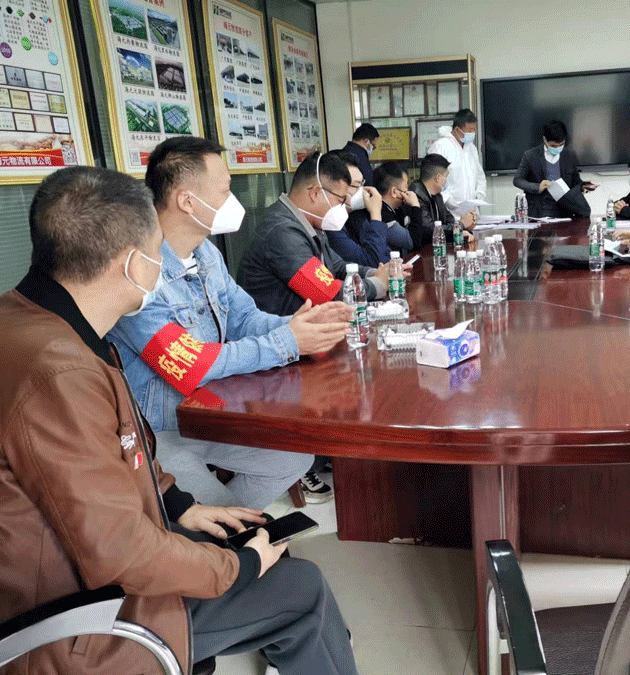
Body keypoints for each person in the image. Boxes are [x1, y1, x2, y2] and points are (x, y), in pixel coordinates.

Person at [0, 165, 358, 675]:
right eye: (156, 253)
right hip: (83, 617)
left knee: (240, 535)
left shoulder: (34, 322)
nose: (162, 266)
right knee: (301, 588)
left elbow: (120, 450)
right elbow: (119, 552)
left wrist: (178, 504)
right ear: (132, 264)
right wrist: (238, 567)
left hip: (73, 557)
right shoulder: (62, 371)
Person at [108, 137, 350, 507]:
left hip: (212, 413)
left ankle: (227, 529)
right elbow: (190, 366)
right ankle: (221, 531)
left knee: (293, 458)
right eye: (224, 191)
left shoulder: (205, 253)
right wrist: (287, 341)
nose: (232, 201)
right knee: (215, 514)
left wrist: (296, 325)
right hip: (161, 431)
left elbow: (243, 317)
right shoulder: (138, 272)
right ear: (187, 201)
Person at [239, 150, 394, 316]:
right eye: (340, 200)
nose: (343, 207)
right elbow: (326, 294)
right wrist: (378, 284)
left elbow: (337, 266)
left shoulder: (309, 223)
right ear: (315, 193)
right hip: (281, 329)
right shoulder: (281, 232)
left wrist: (374, 273)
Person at [513, 120, 596, 218]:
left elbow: (575, 181)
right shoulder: (530, 155)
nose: (557, 148)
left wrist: (584, 186)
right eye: (553, 146)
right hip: (540, 210)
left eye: (561, 145)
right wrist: (538, 187)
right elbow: (517, 180)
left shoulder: (569, 155)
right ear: (545, 140)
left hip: (565, 209)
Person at [326, 151, 392, 267]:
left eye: (362, 184)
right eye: (356, 185)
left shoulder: (357, 214)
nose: (362, 191)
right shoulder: (329, 223)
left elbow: (385, 254)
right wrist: (376, 214)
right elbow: (371, 261)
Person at [427, 108, 487, 219]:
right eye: (469, 130)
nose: (472, 133)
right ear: (457, 129)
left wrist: (479, 194)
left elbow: (480, 176)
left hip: (471, 213)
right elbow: (434, 178)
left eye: (474, 130)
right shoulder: (441, 146)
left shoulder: (471, 148)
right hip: (449, 213)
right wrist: (448, 199)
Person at [410, 153, 475, 244]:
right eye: (446, 177)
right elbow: (429, 229)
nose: (446, 181)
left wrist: (466, 225)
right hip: (423, 249)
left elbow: (449, 220)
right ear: (438, 177)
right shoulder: (416, 195)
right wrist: (461, 225)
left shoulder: (437, 196)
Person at [373, 161, 428, 252]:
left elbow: (421, 232)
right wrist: (416, 206)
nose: (408, 190)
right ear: (394, 192)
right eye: (406, 185)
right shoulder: (383, 214)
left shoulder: (398, 208)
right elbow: (412, 242)